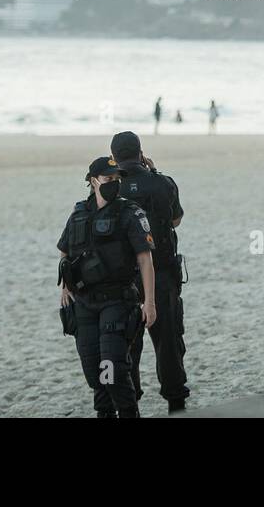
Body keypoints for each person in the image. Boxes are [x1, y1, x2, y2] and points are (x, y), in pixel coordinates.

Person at [57, 156, 156, 418]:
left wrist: (150, 302)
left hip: (117, 301)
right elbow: (64, 253)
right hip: (85, 305)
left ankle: (128, 412)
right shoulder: (79, 213)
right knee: (94, 372)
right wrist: (65, 287)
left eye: (117, 179)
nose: (114, 183)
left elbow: (145, 259)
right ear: (93, 181)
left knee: (112, 368)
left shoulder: (129, 213)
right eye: (108, 179)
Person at [110, 131, 190, 413]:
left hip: (123, 279)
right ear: (141, 153)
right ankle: (175, 401)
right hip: (162, 274)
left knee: (127, 346)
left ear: (114, 159)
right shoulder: (163, 183)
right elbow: (176, 220)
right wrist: (152, 171)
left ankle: (132, 403)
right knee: (168, 341)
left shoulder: (110, 189)